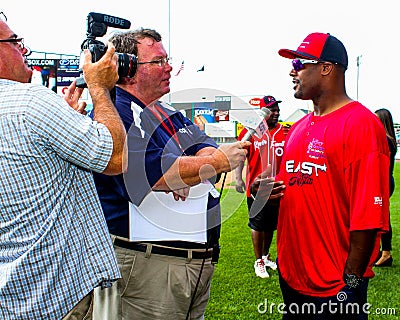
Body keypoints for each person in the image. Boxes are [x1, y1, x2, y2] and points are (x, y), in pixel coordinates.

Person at [91, 28, 250, 320]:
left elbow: (204, 144)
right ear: (127, 68)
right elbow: (149, 175)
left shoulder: (162, 112)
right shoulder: (116, 111)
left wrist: (187, 167)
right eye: (158, 61)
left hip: (181, 264)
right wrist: (210, 164)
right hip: (149, 266)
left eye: (167, 59)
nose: (168, 68)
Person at [0, 16, 127, 319]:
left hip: (15, 292)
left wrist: (64, 121)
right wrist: (100, 88)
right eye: (16, 42)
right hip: (57, 291)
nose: (25, 50)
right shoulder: (31, 101)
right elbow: (116, 158)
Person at [258, 32, 390, 319]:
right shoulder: (298, 127)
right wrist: (264, 194)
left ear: (327, 68)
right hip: (292, 277)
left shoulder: (362, 125)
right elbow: (290, 194)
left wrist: (351, 285)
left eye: (300, 63)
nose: (293, 71)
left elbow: (369, 217)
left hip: (335, 287)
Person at [235, 95, 286, 278]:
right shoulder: (251, 133)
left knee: (271, 226)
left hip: (278, 188)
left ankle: (265, 256)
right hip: (256, 190)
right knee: (258, 225)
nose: (276, 113)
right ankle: (259, 261)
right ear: (262, 112)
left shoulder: (285, 131)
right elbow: (240, 156)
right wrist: (238, 179)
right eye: (272, 110)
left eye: (277, 109)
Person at [373, 108, 397, 267]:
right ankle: (382, 251)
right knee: (380, 216)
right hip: (385, 181)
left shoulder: (385, 140)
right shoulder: (388, 139)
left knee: (382, 217)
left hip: (383, 183)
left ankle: (386, 253)